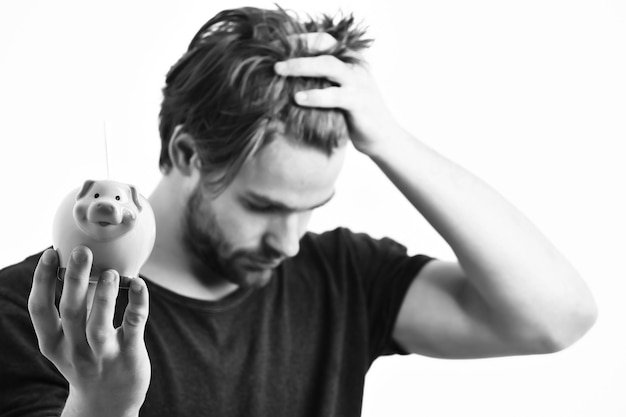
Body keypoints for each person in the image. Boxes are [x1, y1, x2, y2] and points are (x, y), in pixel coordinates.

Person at [0, 6, 597, 417]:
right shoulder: (34, 313)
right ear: (187, 154)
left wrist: (391, 139)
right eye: (264, 206)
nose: (288, 242)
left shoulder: (339, 277)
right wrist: (98, 409)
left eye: (310, 209)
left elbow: (557, 317)